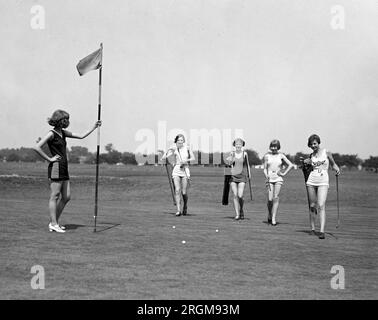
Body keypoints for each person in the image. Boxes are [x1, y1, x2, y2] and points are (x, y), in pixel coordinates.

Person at [34, 109, 101, 233]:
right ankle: (54, 223)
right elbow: (37, 147)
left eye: (67, 119)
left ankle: (54, 222)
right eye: (65, 119)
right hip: (56, 167)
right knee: (55, 195)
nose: (67, 121)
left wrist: (94, 127)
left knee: (66, 197)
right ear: (58, 120)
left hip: (64, 167)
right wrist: (49, 159)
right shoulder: (51, 133)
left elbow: (81, 136)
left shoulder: (63, 133)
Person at [302, 134, 340, 239]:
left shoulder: (326, 153)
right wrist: (305, 163)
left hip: (323, 181)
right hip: (311, 180)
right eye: (311, 144)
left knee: (321, 205)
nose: (313, 146)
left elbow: (334, 165)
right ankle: (312, 229)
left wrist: (337, 170)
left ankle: (322, 231)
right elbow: (307, 166)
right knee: (312, 205)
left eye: (314, 143)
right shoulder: (311, 156)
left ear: (318, 142)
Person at [160, 134, 195, 216]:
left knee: (184, 192)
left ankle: (185, 205)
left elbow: (193, 158)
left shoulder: (187, 148)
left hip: (185, 170)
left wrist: (186, 161)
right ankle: (178, 210)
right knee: (177, 190)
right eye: (179, 140)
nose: (180, 141)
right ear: (176, 141)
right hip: (176, 170)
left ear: (184, 141)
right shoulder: (174, 148)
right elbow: (164, 158)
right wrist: (167, 150)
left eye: (182, 140)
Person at [263, 139, 294, 226]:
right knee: (269, 199)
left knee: (275, 198)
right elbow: (264, 169)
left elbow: (291, 165)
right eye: (272, 146)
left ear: (278, 147)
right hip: (269, 179)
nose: (273, 148)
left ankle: (273, 218)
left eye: (275, 146)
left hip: (278, 179)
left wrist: (284, 173)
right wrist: (266, 175)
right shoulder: (267, 156)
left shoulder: (281, 155)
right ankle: (269, 214)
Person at [226, 138, 250, 220]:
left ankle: (241, 210)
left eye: (240, 144)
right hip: (233, 176)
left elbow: (247, 165)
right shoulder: (232, 153)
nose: (238, 145)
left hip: (242, 176)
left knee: (240, 195)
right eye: (236, 144)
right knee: (235, 195)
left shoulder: (245, 154)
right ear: (234, 145)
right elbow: (229, 163)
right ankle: (237, 214)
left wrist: (249, 174)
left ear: (242, 145)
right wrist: (230, 158)